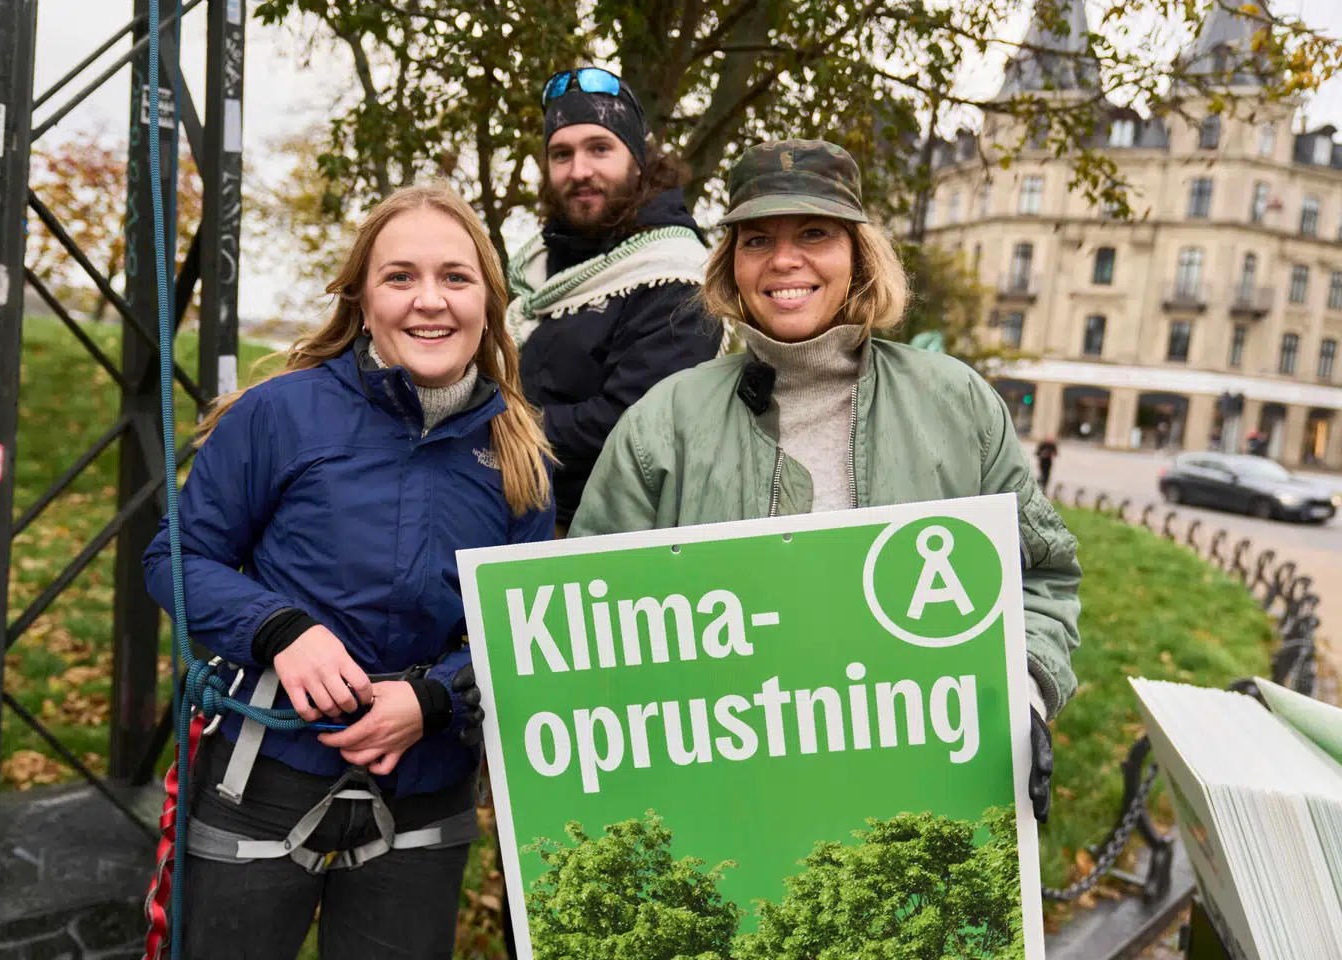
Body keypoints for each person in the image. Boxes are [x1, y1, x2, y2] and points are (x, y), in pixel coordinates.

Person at [570, 139, 1080, 822]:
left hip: (920, 800)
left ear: (857, 256)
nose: (785, 260)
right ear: (733, 265)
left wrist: (1024, 695)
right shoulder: (664, 422)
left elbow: (1041, 577)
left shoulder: (956, 405)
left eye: (814, 233)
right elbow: (591, 620)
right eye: (757, 240)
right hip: (722, 808)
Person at [142, 182, 555, 960]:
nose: (429, 301)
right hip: (259, 777)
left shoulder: (518, 453)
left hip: (423, 799)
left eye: (454, 278)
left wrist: (435, 698)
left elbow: (518, 625)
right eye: (400, 277)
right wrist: (279, 630)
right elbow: (175, 558)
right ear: (363, 301)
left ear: (488, 303)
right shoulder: (280, 414)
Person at [508, 66, 724, 535]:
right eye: (561, 154)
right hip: (512, 521)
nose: (579, 171)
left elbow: (633, 423)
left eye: (599, 148)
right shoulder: (533, 273)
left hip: (610, 542)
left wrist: (496, 428)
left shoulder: (674, 272)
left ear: (639, 159)